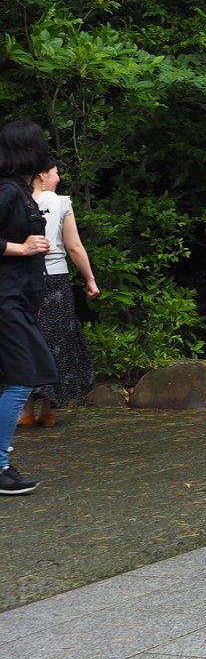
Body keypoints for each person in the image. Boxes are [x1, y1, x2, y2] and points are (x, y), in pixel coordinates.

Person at [0, 120, 58, 495]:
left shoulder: (18, 191)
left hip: (16, 300)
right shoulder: (6, 191)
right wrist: (20, 248)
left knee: (12, 380)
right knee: (23, 377)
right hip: (6, 303)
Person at [24, 161, 99, 424]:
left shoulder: (15, 200)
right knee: (55, 341)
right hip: (54, 279)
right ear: (42, 174)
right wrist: (90, 278)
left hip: (22, 280)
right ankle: (47, 409)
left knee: (27, 339)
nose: (58, 178)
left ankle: (24, 410)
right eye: (56, 173)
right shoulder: (61, 203)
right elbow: (74, 246)